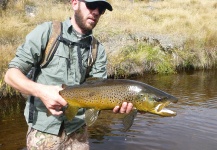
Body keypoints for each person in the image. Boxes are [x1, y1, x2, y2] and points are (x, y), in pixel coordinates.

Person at [4, 0, 133, 149]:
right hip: (44, 130)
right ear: (75, 3)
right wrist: (42, 91)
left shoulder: (98, 49)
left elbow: (99, 91)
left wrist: (119, 103)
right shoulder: (47, 32)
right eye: (91, 5)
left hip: (78, 132)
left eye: (101, 9)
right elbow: (11, 75)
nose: (96, 12)